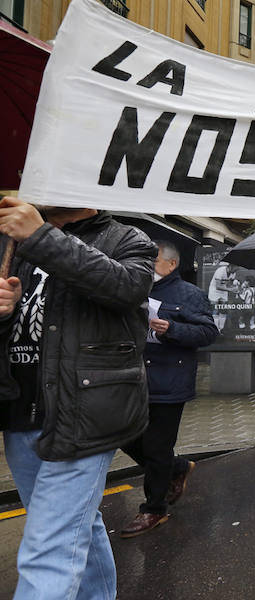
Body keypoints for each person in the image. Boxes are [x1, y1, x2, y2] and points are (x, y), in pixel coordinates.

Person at [0, 197, 155, 598]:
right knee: (72, 528)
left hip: (84, 417)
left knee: (46, 550)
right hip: (21, 413)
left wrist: (39, 235)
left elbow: (124, 287)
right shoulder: (11, 243)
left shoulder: (128, 239)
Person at [119, 240, 219, 538]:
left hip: (169, 382)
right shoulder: (134, 288)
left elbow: (208, 332)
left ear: (171, 264)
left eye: (154, 261)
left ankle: (154, 508)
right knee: (124, 435)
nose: (148, 266)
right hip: (133, 379)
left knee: (156, 445)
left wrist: (172, 329)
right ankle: (176, 468)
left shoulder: (189, 294)